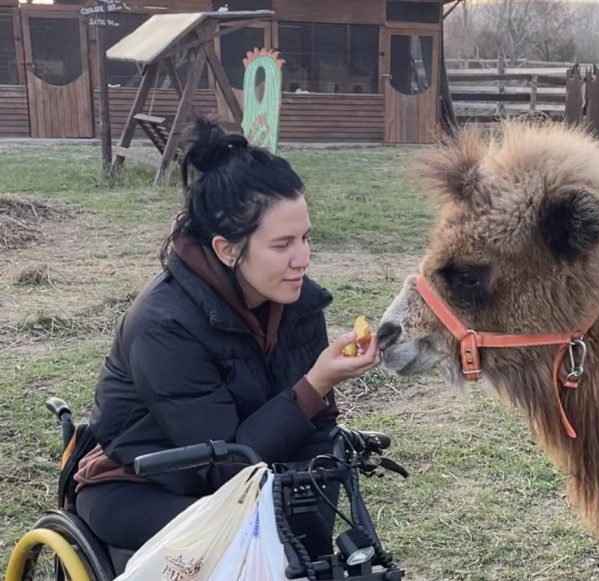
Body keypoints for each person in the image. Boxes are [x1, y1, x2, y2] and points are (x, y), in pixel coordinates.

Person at [73, 116, 380, 557]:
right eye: (282, 245)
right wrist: (316, 383)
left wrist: (323, 476)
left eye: (305, 238)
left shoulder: (299, 303)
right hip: (143, 485)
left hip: (254, 478)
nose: (302, 259)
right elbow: (224, 468)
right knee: (251, 543)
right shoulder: (163, 326)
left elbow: (315, 427)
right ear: (227, 248)